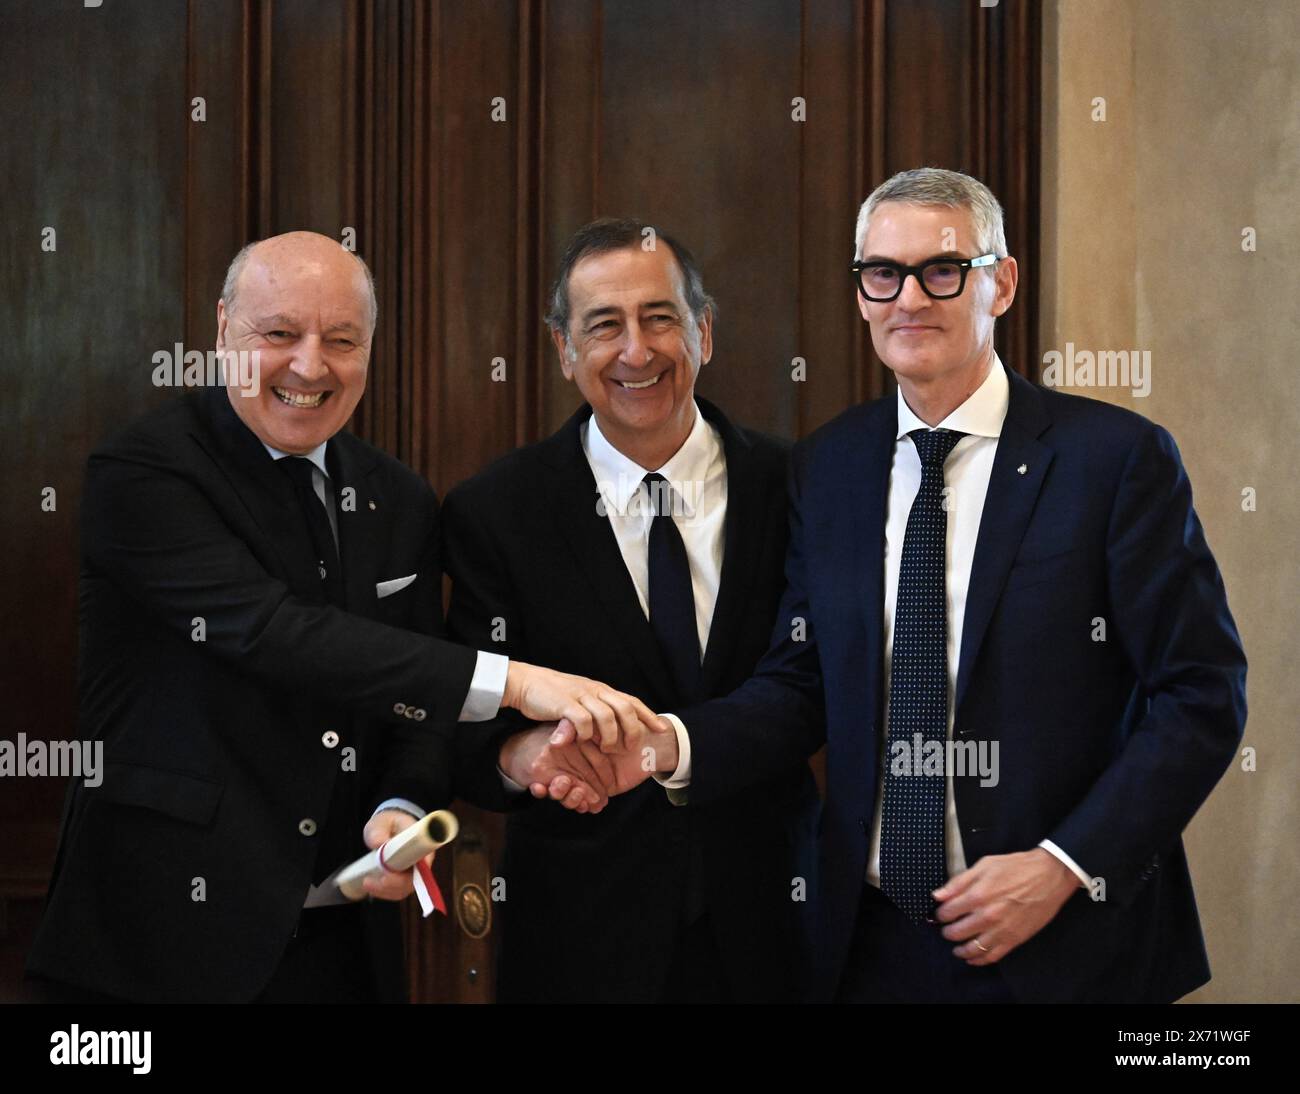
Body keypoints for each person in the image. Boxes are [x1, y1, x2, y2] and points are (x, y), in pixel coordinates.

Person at [543, 169, 1248, 1004]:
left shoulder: (1115, 460)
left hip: (1069, 943)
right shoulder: (831, 466)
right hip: (870, 947)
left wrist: (1066, 865)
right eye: (883, 273)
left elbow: (1201, 694)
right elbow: (802, 682)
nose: (910, 298)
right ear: (862, 294)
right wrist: (667, 745)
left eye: (942, 270)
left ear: (1002, 283)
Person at [26, 231, 664, 1003]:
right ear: (223, 328)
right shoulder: (146, 470)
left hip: (343, 950)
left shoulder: (396, 497)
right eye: (279, 334)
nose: (309, 366)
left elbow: (417, 706)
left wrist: (401, 804)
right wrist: (519, 682)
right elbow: (275, 633)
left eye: (341, 340)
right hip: (154, 951)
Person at [445, 218, 819, 1002]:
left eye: (660, 319)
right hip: (579, 944)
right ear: (563, 350)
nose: (636, 352)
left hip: (775, 929)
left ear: (704, 331)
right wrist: (526, 757)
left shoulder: (796, 487)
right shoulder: (496, 511)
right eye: (604, 326)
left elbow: (816, 687)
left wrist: (664, 747)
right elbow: (466, 727)